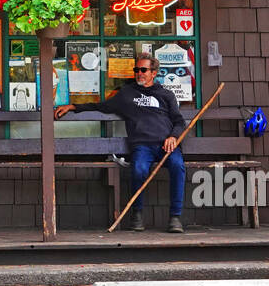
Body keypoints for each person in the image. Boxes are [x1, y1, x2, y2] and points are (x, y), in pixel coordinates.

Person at [55, 50, 187, 233]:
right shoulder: (127, 94)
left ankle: (175, 217)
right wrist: (74, 106)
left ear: (153, 73)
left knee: (178, 166)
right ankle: (137, 214)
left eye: (143, 70)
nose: (139, 73)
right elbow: (101, 106)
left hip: (166, 144)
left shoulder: (166, 95)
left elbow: (179, 121)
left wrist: (174, 137)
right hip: (142, 144)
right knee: (139, 169)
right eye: (136, 70)